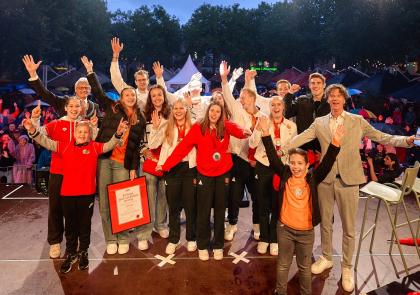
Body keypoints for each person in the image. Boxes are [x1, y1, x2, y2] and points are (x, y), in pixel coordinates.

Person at [286, 83, 417, 292]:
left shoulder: (357, 121)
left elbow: (382, 137)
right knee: (326, 223)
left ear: (344, 99)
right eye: (332, 96)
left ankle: (347, 267)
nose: (335, 99)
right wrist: (277, 149)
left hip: (349, 181)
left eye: (339, 96)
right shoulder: (319, 123)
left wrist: (407, 141)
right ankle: (326, 257)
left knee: (348, 228)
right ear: (328, 100)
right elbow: (299, 139)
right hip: (326, 180)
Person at [23, 116, 128, 274]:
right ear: (74, 133)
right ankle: (71, 252)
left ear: (90, 133)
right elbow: (46, 141)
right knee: (71, 227)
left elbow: (109, 145)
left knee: (85, 225)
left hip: (87, 195)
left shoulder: (94, 147)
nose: (82, 134)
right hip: (68, 195)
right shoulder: (64, 147)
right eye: (80, 131)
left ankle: (83, 251)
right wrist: (32, 130)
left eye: (86, 132)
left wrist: (118, 133)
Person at [260, 116, 343, 295]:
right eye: (292, 163)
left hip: (306, 233)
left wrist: (335, 144)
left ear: (307, 165)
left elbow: (327, 164)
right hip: (285, 230)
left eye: (299, 164)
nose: (295, 167)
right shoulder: (284, 174)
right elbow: (274, 158)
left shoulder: (313, 178)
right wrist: (266, 133)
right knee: (283, 264)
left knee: (304, 267)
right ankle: (280, 292)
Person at [160, 102, 250, 261]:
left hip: (223, 173)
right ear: (208, 112)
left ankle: (218, 246)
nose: (214, 114)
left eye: (218, 111)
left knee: (221, 210)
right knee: (203, 210)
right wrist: (166, 165)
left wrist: (245, 132)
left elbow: (239, 132)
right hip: (204, 174)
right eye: (212, 111)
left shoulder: (225, 126)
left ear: (221, 114)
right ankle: (202, 245)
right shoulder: (198, 128)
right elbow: (182, 149)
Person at [81, 56, 146, 255]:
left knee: (122, 202)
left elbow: (135, 148)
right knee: (105, 203)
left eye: (132, 95)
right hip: (104, 161)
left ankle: (123, 237)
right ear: (121, 96)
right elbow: (99, 93)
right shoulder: (113, 107)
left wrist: (134, 168)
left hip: (122, 164)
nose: (130, 97)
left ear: (135, 98)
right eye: (127, 95)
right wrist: (91, 72)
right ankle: (111, 238)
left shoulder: (140, 119)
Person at [220, 61, 265, 243]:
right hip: (238, 160)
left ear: (253, 99)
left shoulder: (263, 116)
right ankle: (232, 224)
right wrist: (224, 79)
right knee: (234, 196)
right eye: (240, 96)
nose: (240, 99)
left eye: (244, 97)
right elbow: (227, 96)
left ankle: (257, 225)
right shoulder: (236, 110)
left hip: (256, 163)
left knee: (257, 197)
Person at [249, 97, 297, 256]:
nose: (276, 107)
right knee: (262, 203)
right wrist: (259, 128)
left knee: (277, 205)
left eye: (279, 104)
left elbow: (293, 148)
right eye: (273, 105)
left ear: (283, 107)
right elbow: (252, 144)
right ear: (269, 107)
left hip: (281, 168)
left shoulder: (291, 126)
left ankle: (274, 239)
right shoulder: (262, 121)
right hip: (263, 166)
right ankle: (264, 238)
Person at [151, 99, 197, 254]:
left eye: (181, 108)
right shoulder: (166, 125)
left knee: (191, 206)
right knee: (174, 207)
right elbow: (153, 145)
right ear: (172, 110)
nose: (178, 111)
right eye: (175, 108)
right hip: (172, 169)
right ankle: (174, 239)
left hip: (190, 168)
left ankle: (191, 238)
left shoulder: (194, 125)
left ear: (186, 109)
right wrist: (156, 128)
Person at [136, 84, 171, 251]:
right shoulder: (144, 115)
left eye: (160, 95)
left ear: (164, 96)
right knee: (148, 198)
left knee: (163, 195)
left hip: (165, 162)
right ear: (150, 98)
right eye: (154, 96)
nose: (157, 98)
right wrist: (144, 151)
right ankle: (144, 233)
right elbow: (137, 139)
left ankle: (161, 225)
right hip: (148, 162)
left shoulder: (170, 115)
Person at [22, 55, 99, 119]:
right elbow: (45, 94)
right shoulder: (64, 101)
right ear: (75, 90)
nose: (84, 90)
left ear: (90, 90)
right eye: (80, 88)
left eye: (86, 88)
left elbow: (101, 127)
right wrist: (33, 74)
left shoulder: (94, 107)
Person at [284, 73, 330, 152]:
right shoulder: (302, 100)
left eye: (318, 83)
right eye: (313, 83)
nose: (315, 86)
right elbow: (287, 113)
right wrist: (290, 93)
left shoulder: (331, 102)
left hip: (325, 146)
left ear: (324, 85)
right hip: (304, 146)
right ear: (309, 85)